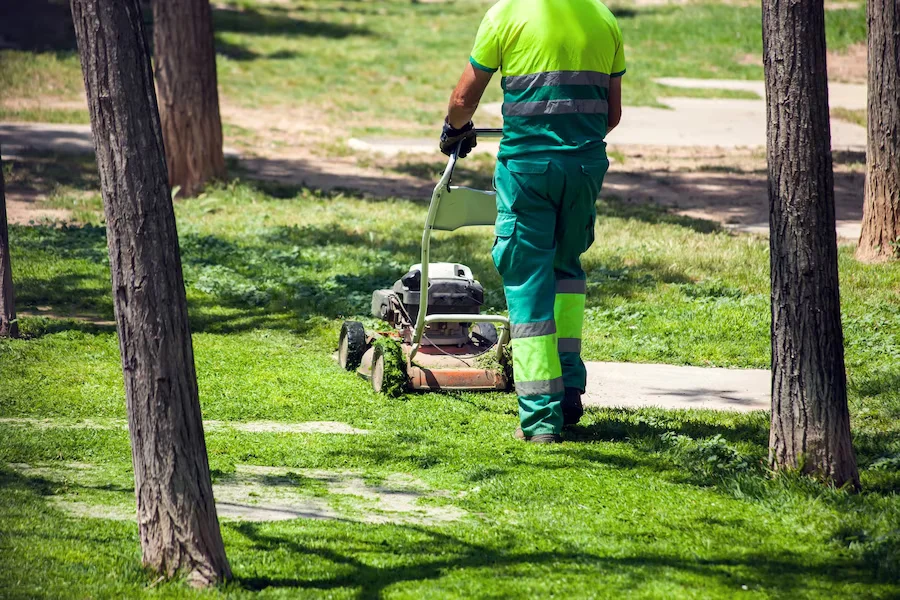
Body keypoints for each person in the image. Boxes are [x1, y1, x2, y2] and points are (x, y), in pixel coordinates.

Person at [439, 0, 625, 443]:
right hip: (584, 169)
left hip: (528, 170)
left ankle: (541, 418)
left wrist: (454, 129)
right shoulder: (603, 18)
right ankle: (569, 392)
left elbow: (465, 98)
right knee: (566, 274)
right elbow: (611, 114)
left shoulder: (506, 14)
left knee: (527, 282)